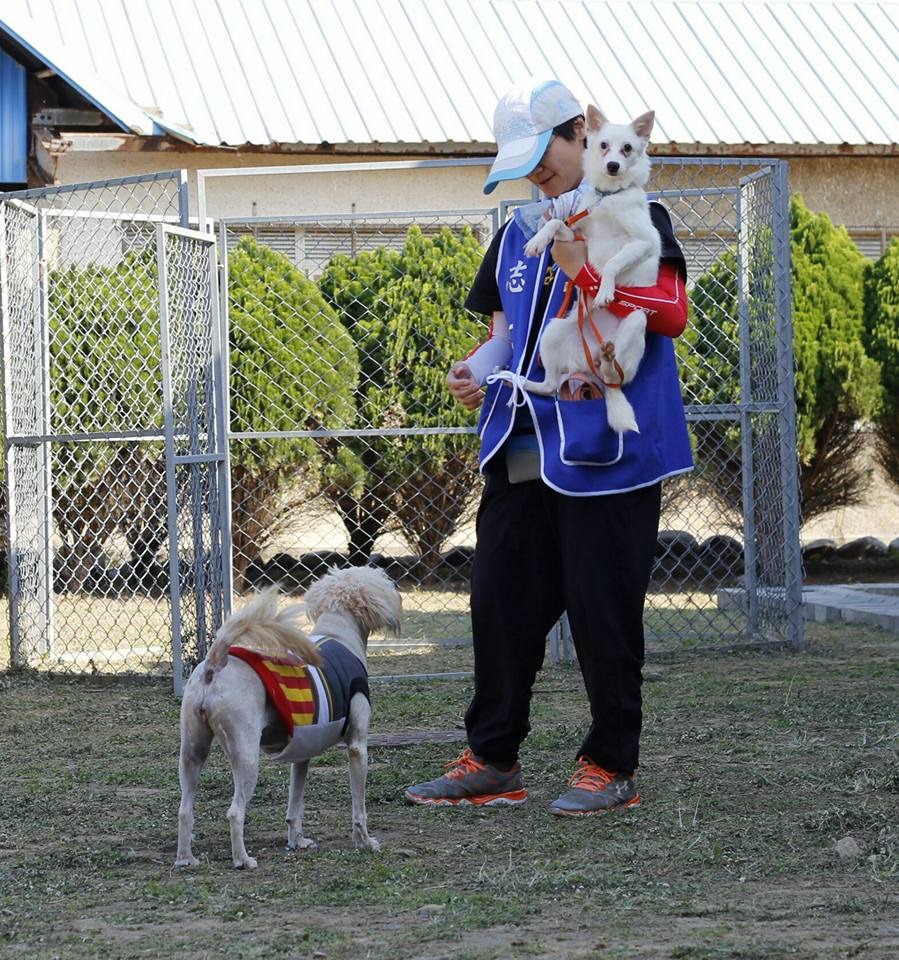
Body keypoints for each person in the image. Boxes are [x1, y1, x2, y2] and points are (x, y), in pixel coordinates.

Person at [404, 80, 693, 815]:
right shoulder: (514, 232)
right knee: (498, 605)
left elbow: (671, 312)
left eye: (544, 157)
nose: (537, 175)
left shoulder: (637, 213)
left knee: (603, 612)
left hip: (608, 455)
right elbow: (507, 330)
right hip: (520, 446)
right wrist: (474, 366)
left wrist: (584, 270)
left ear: (582, 136)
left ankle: (608, 765)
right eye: (521, 166)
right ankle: (492, 758)